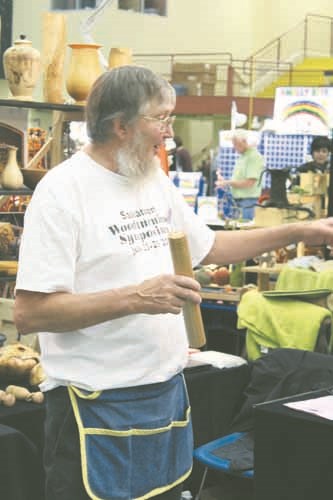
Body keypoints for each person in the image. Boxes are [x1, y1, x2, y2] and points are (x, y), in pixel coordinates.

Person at [13, 65, 333, 500]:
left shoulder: (152, 180)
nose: (170, 132)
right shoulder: (63, 192)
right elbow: (31, 312)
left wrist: (301, 231)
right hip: (93, 404)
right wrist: (137, 297)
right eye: (161, 119)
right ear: (120, 125)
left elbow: (211, 247)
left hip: (164, 395)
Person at [216, 128, 264, 219]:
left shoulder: (253, 157)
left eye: (235, 144)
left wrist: (227, 182)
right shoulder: (243, 156)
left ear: (244, 141)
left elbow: (249, 183)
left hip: (248, 203)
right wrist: (225, 182)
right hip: (239, 202)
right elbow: (239, 178)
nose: (234, 147)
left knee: (246, 231)